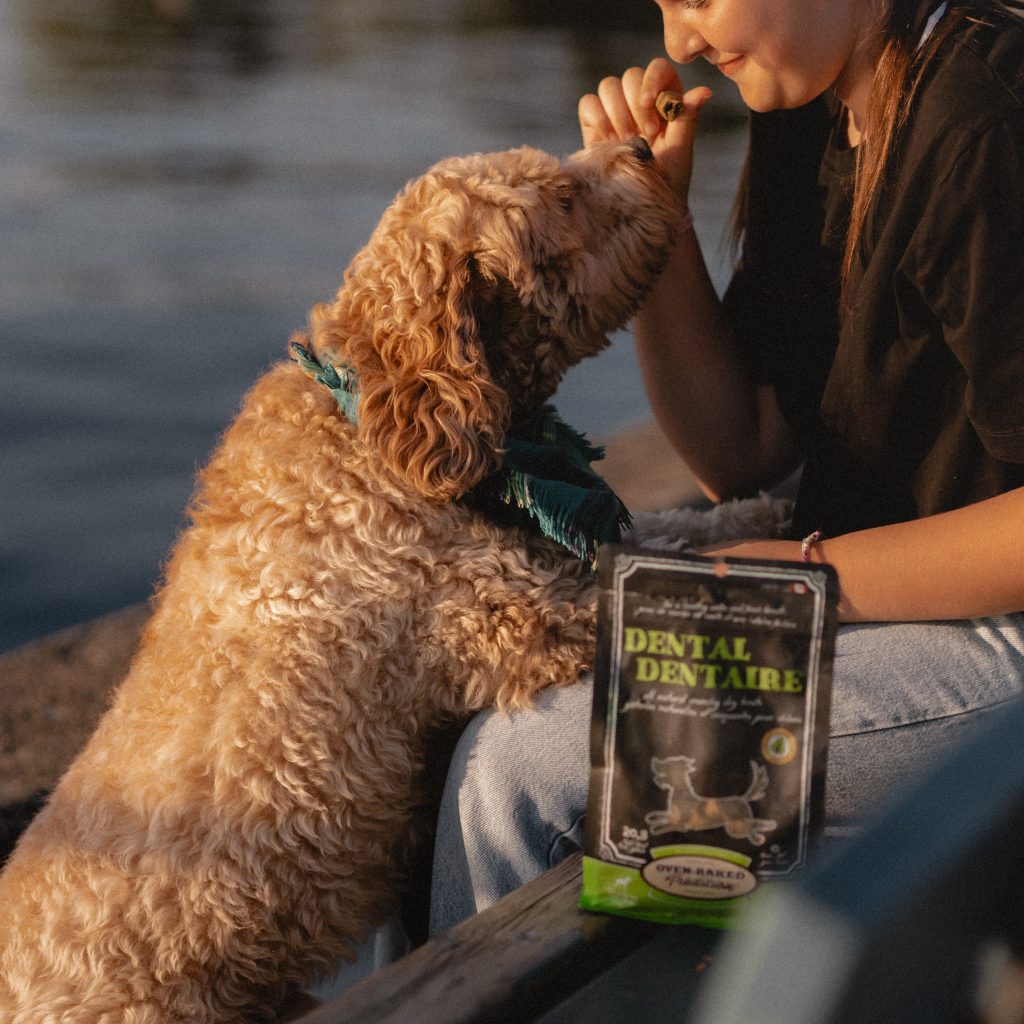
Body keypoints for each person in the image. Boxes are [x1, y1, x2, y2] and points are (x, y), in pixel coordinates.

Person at [429, 0, 1024, 933]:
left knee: (528, 770)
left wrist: (804, 578)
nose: (678, 42)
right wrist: (654, 221)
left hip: (1002, 636)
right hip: (893, 610)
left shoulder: (988, 115)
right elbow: (743, 448)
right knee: (435, 709)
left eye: (699, 0)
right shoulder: (818, 104)